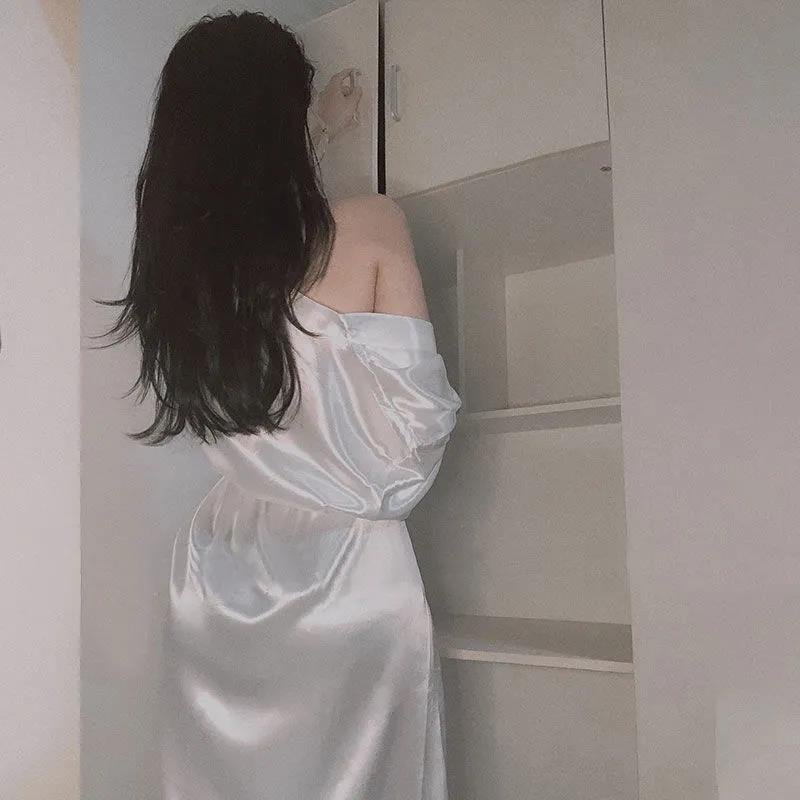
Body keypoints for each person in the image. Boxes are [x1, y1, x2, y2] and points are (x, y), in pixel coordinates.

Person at [97, 11, 461, 800]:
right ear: (283, 115)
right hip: (345, 586)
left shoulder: (184, 281)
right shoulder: (372, 224)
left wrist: (319, 132)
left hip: (217, 579)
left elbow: (265, 242)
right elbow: (413, 448)